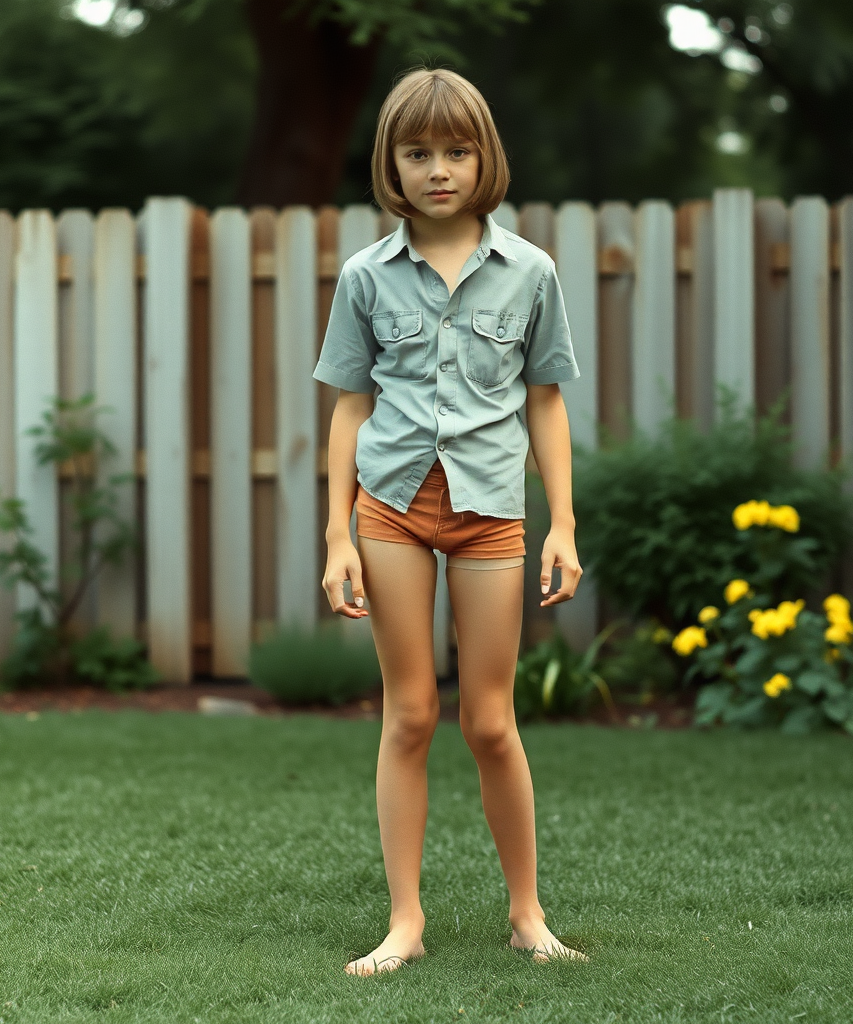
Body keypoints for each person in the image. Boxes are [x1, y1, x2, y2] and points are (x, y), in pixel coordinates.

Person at [313, 66, 588, 977]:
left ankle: (527, 914)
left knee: (491, 723)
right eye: (418, 151)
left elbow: (545, 403)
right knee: (409, 716)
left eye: (457, 150)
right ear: (392, 162)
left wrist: (562, 525)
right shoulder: (364, 276)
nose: (439, 169)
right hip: (390, 509)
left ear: (485, 158)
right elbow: (348, 410)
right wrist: (337, 535)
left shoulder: (530, 272)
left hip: (490, 516)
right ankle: (405, 922)